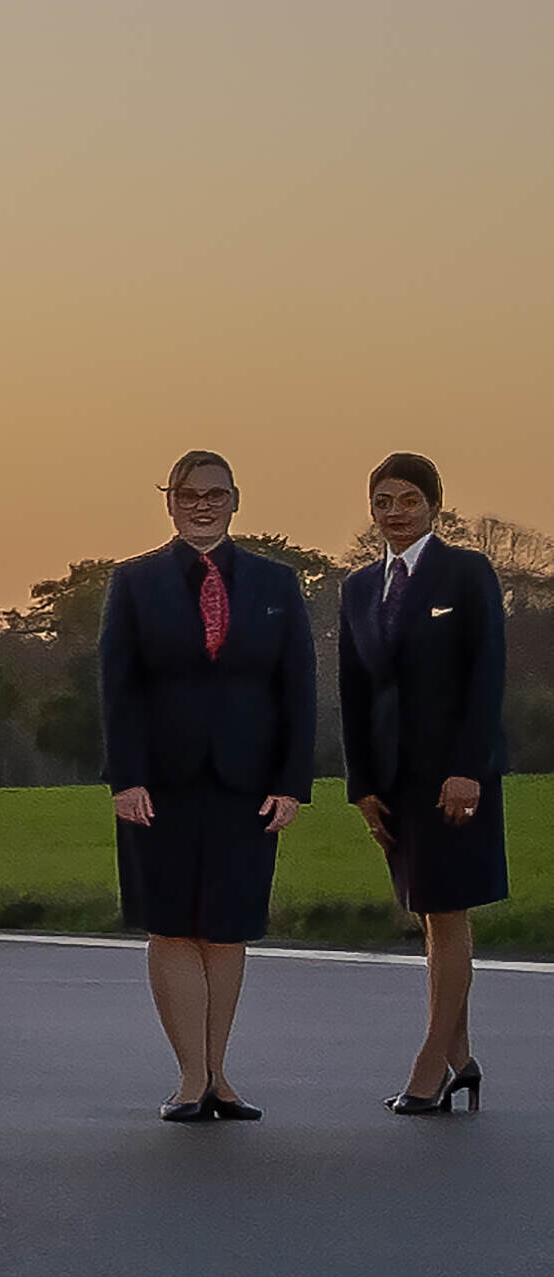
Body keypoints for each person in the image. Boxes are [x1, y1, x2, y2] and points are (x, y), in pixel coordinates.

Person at [97, 452, 321, 1122]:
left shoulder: (276, 582)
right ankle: (189, 1078)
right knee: (170, 925)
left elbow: (297, 688)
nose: (202, 504)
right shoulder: (133, 582)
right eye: (189, 494)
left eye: (215, 494)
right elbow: (117, 686)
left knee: (226, 929)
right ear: (168, 501)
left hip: (246, 784)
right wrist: (125, 776)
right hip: (158, 784)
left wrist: (291, 783)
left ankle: (220, 1073)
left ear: (235, 499)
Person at [337, 453, 499, 1115]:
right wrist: (360, 783)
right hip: (391, 780)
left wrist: (467, 766)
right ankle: (461, 1060)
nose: (393, 511)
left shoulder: (465, 571)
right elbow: (353, 690)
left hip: (453, 777)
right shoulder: (355, 588)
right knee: (427, 913)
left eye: (406, 499)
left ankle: (429, 1066)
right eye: (381, 500)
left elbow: (485, 674)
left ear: (433, 504)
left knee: (448, 910)